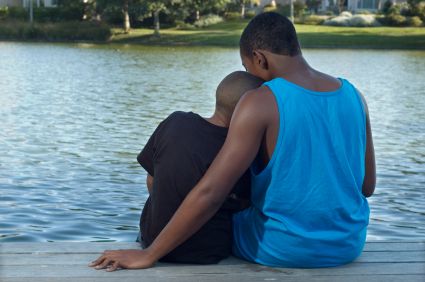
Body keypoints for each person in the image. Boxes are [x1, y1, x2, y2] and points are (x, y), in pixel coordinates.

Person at [89, 12, 376, 271]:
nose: (249, 75)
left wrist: (149, 254)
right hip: (348, 244)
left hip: (283, 248)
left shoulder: (261, 100)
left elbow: (212, 191)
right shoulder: (354, 95)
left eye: (246, 65)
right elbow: (366, 186)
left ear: (259, 58)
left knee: (213, 213)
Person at [89, 71, 263, 269]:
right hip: (205, 252)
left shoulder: (176, 121)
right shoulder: (240, 150)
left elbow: (151, 179)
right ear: (251, 110)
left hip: (150, 238)